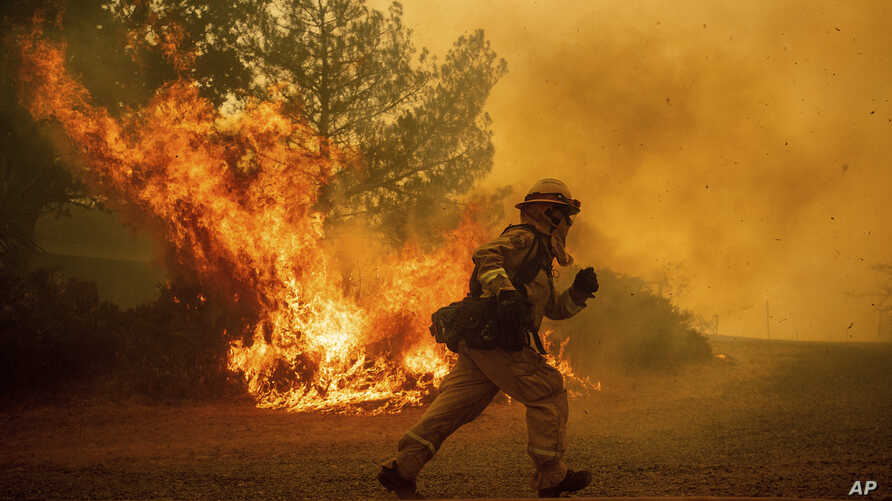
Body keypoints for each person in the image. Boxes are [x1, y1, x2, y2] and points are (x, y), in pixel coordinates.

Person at [378, 178, 600, 499]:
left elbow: (552, 309)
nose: (569, 223)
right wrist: (505, 292)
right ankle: (552, 476)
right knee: (548, 392)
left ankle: (401, 469)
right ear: (550, 214)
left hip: (483, 344)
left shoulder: (540, 257)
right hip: (497, 340)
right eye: (566, 215)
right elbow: (485, 256)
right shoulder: (524, 238)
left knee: (456, 407)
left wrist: (579, 293)